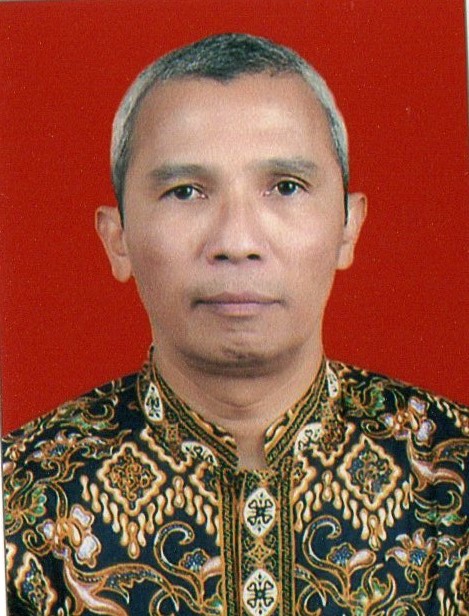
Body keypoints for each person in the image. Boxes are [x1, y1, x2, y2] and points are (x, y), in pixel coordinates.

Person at [2, 33, 468, 615]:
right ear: (117, 238)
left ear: (348, 227)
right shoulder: (19, 499)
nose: (237, 241)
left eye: (286, 187)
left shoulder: (453, 471)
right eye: (186, 192)